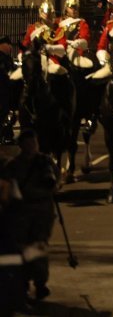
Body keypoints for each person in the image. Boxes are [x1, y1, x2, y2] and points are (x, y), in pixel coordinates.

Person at [1, 129, 58, 304]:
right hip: (22, 213)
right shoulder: (14, 165)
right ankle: (25, 282)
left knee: (37, 247)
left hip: (41, 211)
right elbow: (6, 188)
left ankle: (39, 282)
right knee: (24, 248)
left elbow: (55, 184)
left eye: (34, 143)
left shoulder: (46, 162)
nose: (32, 147)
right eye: (28, 144)